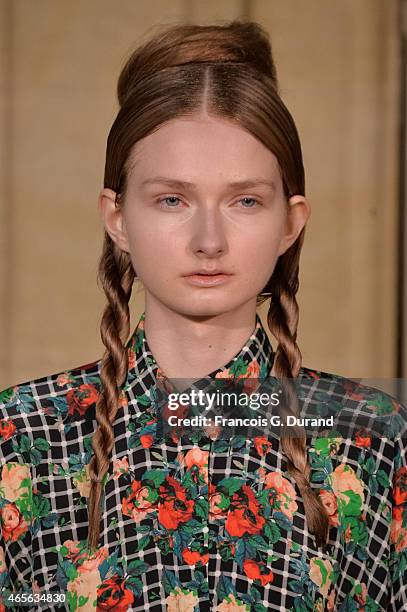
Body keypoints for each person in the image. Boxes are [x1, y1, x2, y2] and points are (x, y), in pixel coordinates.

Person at [0, 18, 406, 612]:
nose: (208, 240)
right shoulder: (22, 438)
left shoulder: (369, 441)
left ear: (290, 222)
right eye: (172, 199)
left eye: (245, 200)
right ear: (116, 216)